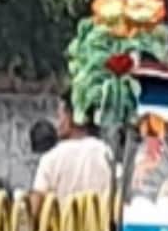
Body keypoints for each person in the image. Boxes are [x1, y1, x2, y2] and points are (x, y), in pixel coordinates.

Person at [30, 91, 114, 221]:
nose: (58, 124)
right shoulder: (106, 154)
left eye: (60, 116)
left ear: (70, 117)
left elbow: (34, 207)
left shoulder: (51, 158)